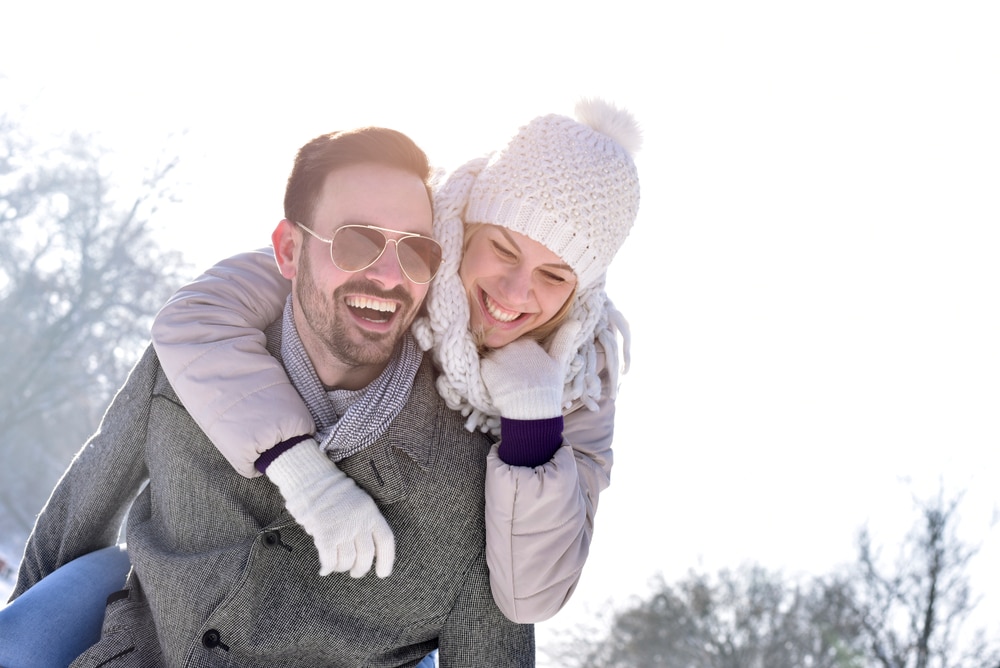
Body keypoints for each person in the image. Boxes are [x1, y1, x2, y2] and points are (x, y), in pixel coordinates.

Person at [6, 126, 535, 667]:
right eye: (357, 241)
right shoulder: (188, 369)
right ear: (288, 248)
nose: (388, 276)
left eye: (416, 253)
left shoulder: (476, 483)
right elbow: (72, 529)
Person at [149, 98, 642, 624]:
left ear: (581, 292)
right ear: (466, 232)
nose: (516, 292)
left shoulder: (583, 385)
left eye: (555, 276)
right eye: (503, 250)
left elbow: (531, 597)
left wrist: (534, 423)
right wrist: (303, 474)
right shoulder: (410, 265)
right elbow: (200, 316)